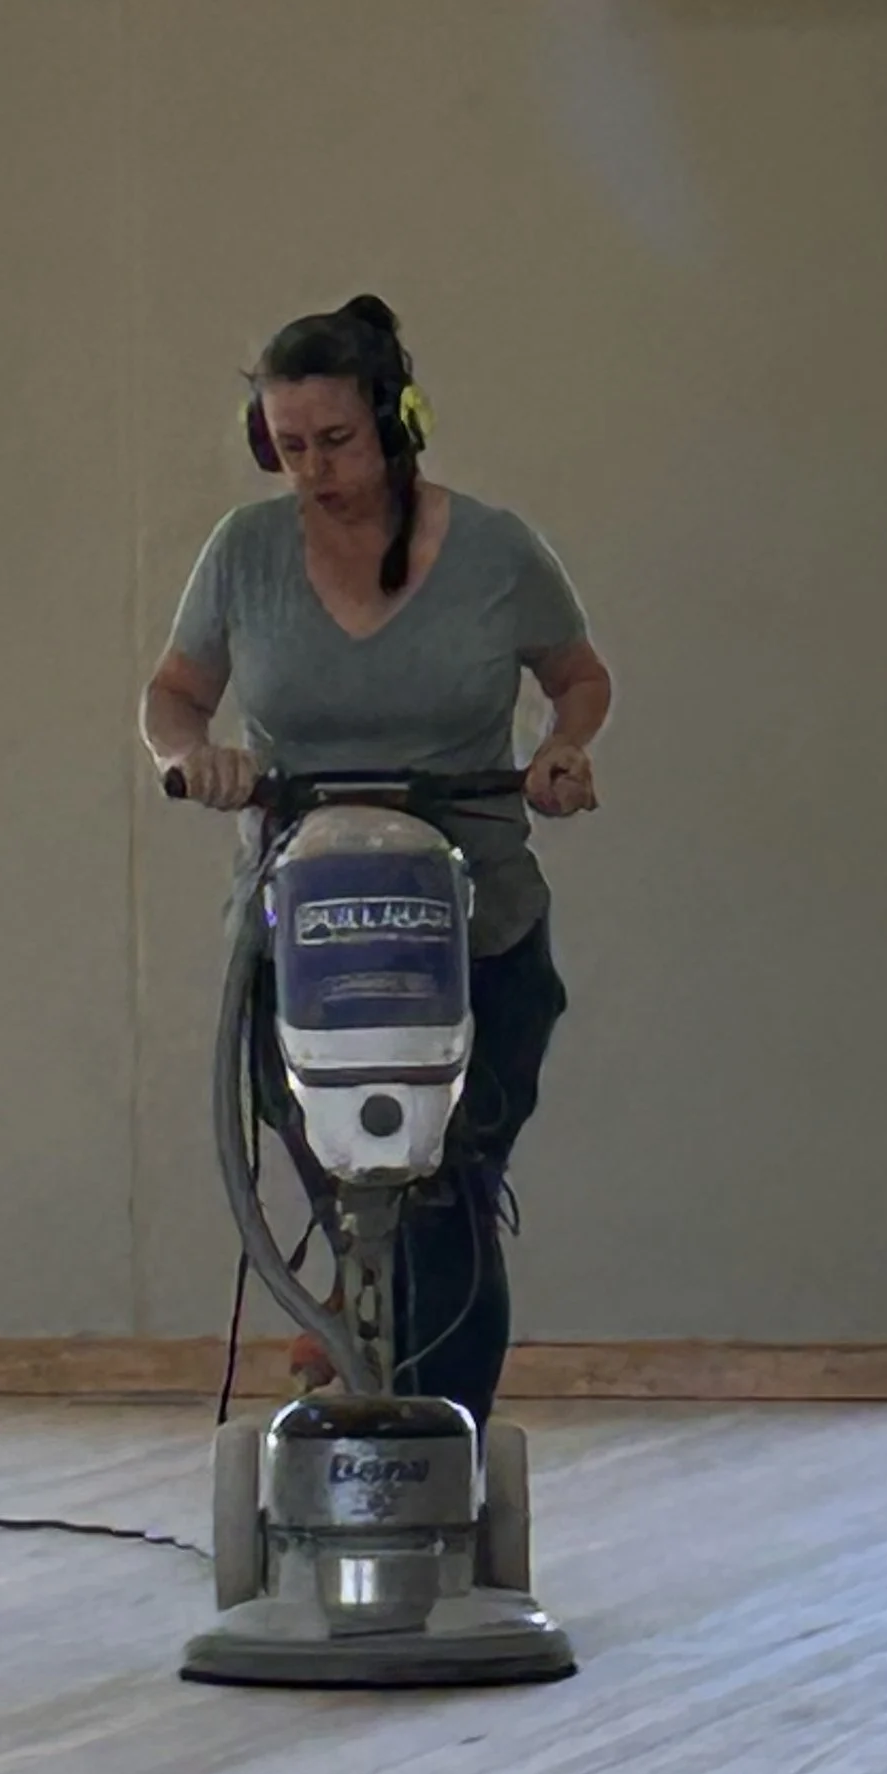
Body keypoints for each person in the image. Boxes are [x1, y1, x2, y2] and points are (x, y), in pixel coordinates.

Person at [140, 294, 611, 1423]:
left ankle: (440, 1449)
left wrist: (564, 750)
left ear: (398, 423)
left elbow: (579, 675)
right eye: (289, 446)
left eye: (337, 440)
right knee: (349, 1185)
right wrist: (193, 757)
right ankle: (362, 1348)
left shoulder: (494, 550)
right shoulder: (245, 553)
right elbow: (172, 696)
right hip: (302, 931)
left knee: (445, 1198)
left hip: (477, 923)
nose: (314, 470)